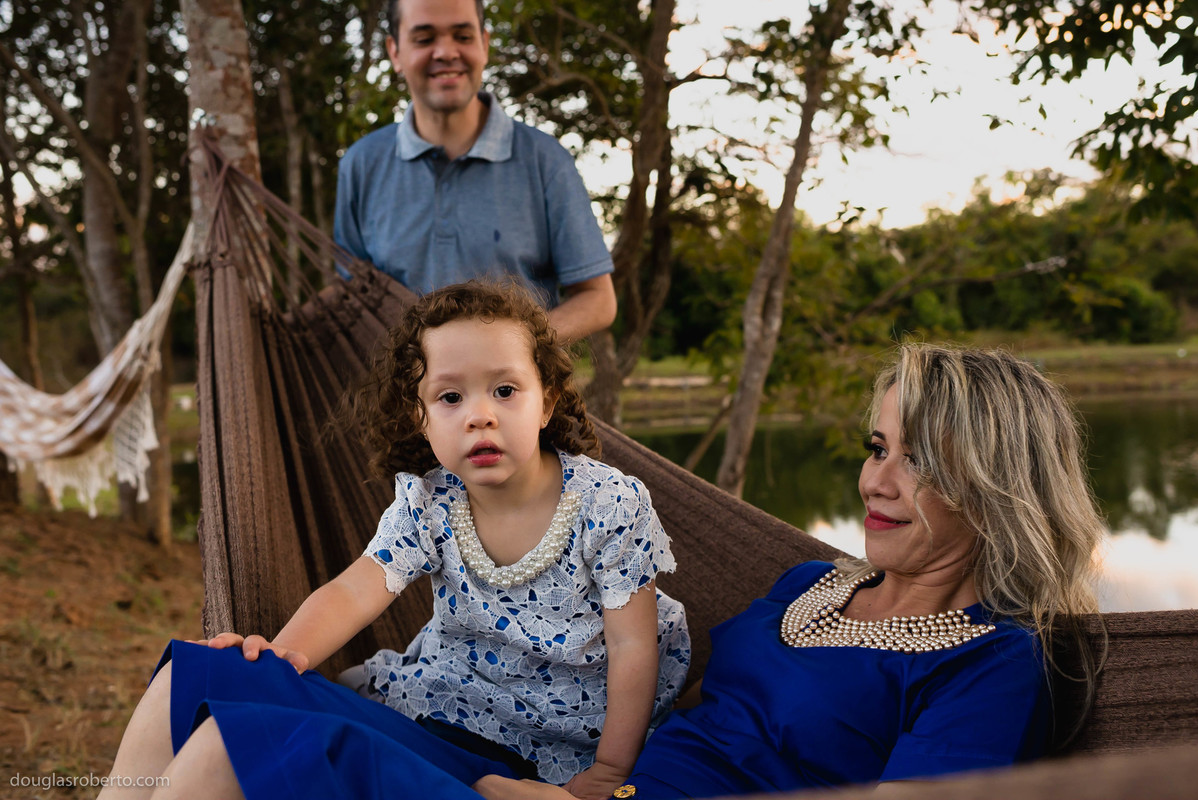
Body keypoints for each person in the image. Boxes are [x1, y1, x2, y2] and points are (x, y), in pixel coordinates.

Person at [99, 282, 689, 800]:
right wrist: (277, 661)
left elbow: (633, 647)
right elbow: (357, 589)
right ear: (422, 418)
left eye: (505, 390)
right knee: (196, 673)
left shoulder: (607, 504)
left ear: (547, 402)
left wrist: (611, 770)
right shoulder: (431, 501)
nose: (479, 415)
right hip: (435, 714)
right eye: (450, 397)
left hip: (543, 756)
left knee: (232, 746)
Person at [474, 343, 1107, 799]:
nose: (875, 483)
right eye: (879, 448)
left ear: (996, 491)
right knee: (371, 733)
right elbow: (684, 721)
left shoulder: (993, 664)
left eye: (918, 462)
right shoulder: (808, 581)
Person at [334, 0, 617, 343]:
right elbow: (350, 298)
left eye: (462, 36)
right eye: (424, 39)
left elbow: (599, 300)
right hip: (401, 394)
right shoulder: (362, 164)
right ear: (395, 52)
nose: (446, 52)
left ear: (484, 44)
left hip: (511, 394)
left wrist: (519, 349)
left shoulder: (545, 160)